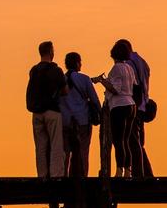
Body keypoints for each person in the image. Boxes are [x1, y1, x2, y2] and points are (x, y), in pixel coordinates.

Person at [92, 41, 137, 178]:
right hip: (131, 104)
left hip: (119, 106)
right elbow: (133, 85)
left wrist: (102, 81)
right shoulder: (129, 68)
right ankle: (128, 171)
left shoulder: (116, 68)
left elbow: (115, 89)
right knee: (126, 139)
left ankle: (119, 170)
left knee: (118, 140)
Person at [25, 41, 67, 179]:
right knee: (56, 145)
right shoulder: (56, 70)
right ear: (51, 52)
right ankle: (56, 175)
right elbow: (65, 90)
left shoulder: (34, 70)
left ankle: (42, 175)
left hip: (36, 112)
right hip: (52, 111)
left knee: (40, 146)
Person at [59, 52, 100, 179]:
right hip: (82, 122)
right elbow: (95, 101)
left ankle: (63, 178)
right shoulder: (85, 79)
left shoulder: (61, 80)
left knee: (65, 154)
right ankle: (81, 178)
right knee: (83, 153)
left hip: (65, 122)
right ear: (77, 63)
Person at [118, 38, 153, 178]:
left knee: (132, 140)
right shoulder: (143, 62)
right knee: (138, 141)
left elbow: (129, 85)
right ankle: (145, 173)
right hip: (143, 105)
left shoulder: (128, 64)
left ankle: (141, 174)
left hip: (132, 106)